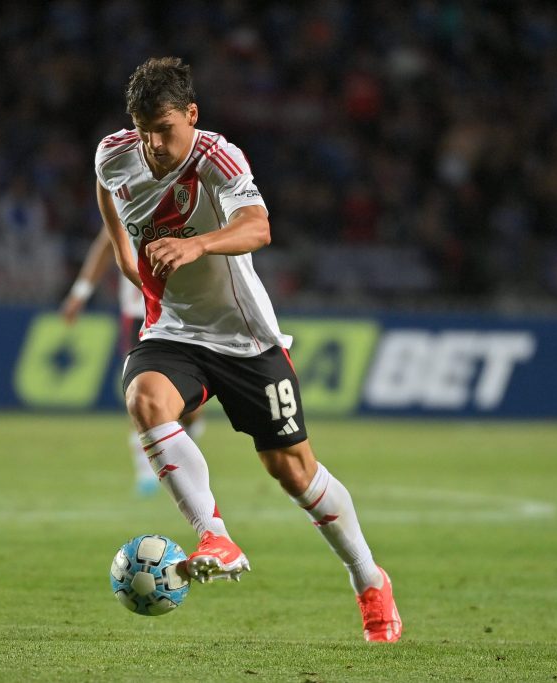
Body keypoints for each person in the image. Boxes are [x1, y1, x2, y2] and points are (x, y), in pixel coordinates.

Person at [94, 57, 402, 643]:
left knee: (293, 472)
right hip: (174, 333)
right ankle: (214, 534)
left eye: (165, 129)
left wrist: (198, 246)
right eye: (143, 131)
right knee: (146, 398)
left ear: (192, 115)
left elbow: (258, 226)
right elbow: (117, 230)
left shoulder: (217, 156)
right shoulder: (113, 155)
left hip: (246, 339)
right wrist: (139, 272)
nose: (155, 145)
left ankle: (369, 578)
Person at [61, 225, 205, 496]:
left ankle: (187, 445)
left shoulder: (183, 201)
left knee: (190, 408)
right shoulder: (128, 198)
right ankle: (146, 474)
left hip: (181, 311)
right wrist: (80, 293)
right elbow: (105, 243)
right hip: (140, 313)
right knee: (141, 390)